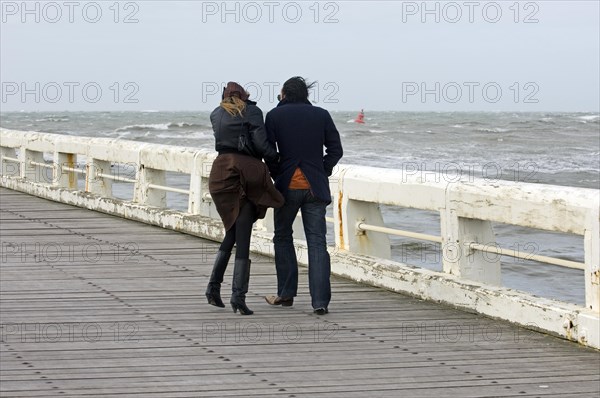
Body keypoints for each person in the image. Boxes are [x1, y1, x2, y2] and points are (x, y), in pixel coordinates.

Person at [264, 76, 343, 315]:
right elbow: (335, 149)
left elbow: (268, 150)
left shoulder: (274, 116)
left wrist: (279, 170)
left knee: (283, 236)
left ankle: (286, 294)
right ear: (305, 94)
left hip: (287, 186)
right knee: (317, 243)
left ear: (284, 94)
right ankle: (320, 302)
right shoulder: (321, 114)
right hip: (315, 188)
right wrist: (322, 169)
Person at [205, 81, 284, 315]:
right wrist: (277, 162)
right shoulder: (251, 111)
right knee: (243, 235)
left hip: (220, 173)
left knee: (232, 229)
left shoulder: (215, 114)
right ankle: (238, 297)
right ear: (244, 96)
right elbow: (260, 144)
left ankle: (213, 288)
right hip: (243, 174)